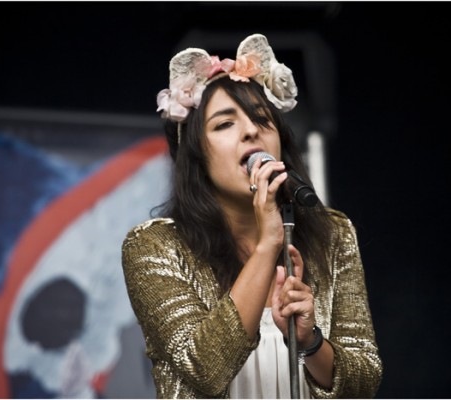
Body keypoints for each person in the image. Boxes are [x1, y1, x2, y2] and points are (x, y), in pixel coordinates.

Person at [122, 33, 382, 399]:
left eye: (262, 119)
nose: (250, 131)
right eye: (225, 124)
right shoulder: (155, 245)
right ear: (197, 157)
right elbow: (203, 368)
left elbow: (364, 382)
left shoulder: (334, 233)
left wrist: (310, 342)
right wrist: (267, 246)